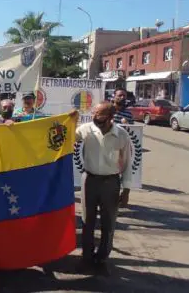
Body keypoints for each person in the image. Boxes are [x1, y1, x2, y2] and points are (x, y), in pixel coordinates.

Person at [75, 102, 131, 276]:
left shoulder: (121, 135)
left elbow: (128, 163)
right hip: (89, 180)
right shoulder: (85, 129)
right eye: (94, 113)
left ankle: (102, 257)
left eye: (99, 114)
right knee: (87, 221)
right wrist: (69, 119)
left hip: (110, 183)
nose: (94, 116)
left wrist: (126, 189)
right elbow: (66, 135)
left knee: (108, 223)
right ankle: (87, 256)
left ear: (110, 117)